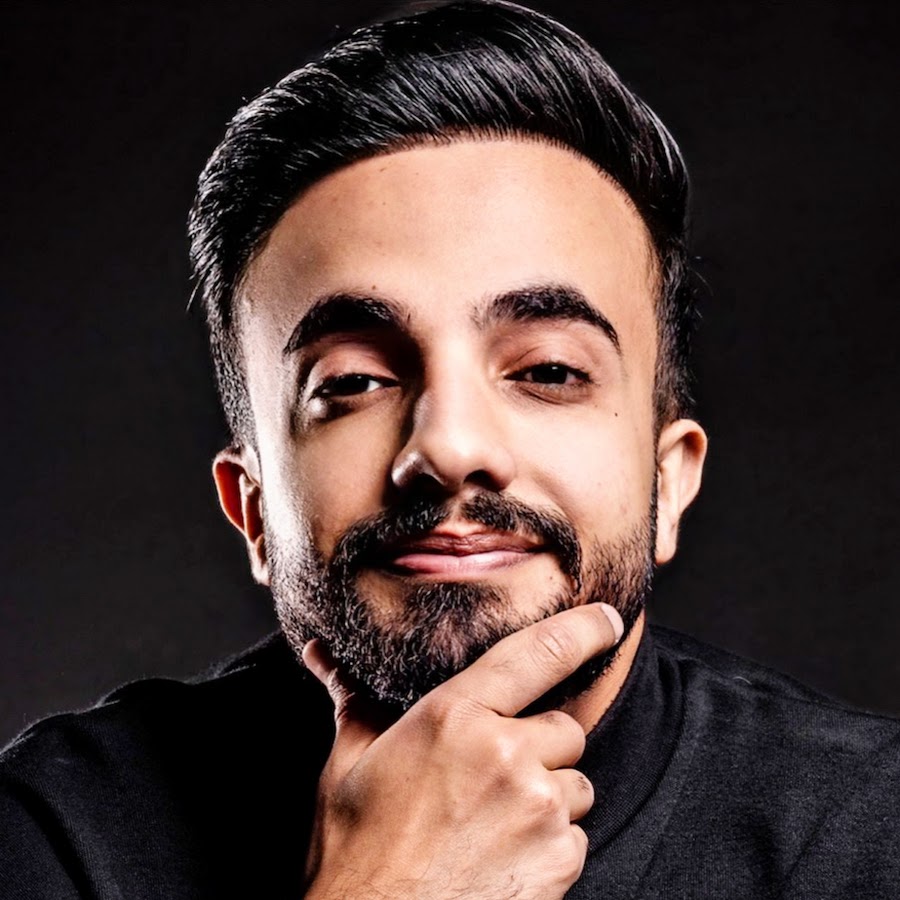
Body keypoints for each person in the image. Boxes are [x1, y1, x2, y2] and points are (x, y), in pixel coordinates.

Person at [2, 1, 898, 897]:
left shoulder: (868, 832)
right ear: (252, 509)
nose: (449, 445)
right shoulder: (52, 837)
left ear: (670, 481)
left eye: (548, 370)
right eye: (354, 382)